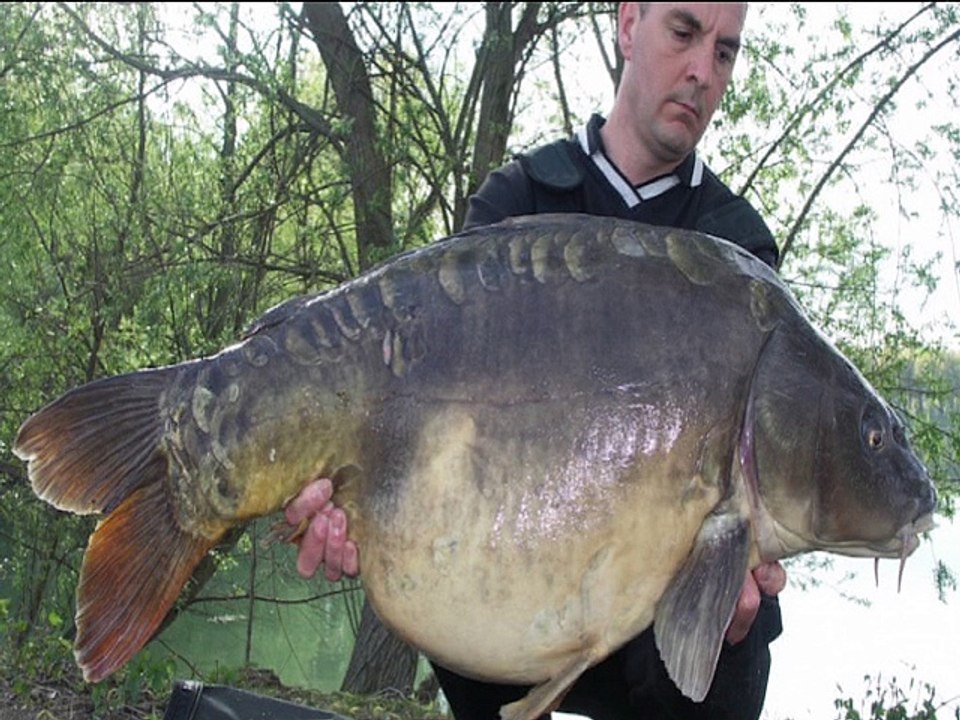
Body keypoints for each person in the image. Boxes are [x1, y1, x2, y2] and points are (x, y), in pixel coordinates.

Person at [285, 3, 787, 718]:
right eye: (684, 33)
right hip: (501, 603)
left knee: (741, 639)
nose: (703, 71)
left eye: (727, 52)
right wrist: (350, 494)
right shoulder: (517, 199)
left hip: (661, 636)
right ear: (627, 24)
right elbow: (420, 409)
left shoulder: (739, 255)